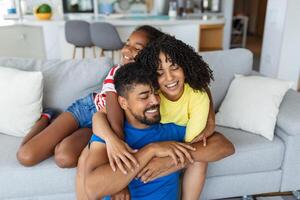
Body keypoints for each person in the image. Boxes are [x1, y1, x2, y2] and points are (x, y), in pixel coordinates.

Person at [16, 25, 165, 168]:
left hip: (100, 124)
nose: (127, 49)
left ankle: (59, 134)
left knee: (64, 158)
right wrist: (116, 146)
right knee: (26, 156)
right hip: (87, 109)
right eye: (127, 43)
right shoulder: (118, 72)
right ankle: (46, 117)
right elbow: (115, 120)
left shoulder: (153, 82)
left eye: (137, 48)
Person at [90, 34, 216, 200]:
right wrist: (152, 150)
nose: (155, 100)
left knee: (201, 158)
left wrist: (210, 122)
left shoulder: (174, 128)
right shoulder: (111, 132)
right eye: (144, 96)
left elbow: (223, 146)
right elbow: (92, 188)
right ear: (124, 103)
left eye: (155, 93)